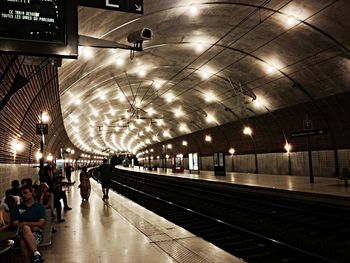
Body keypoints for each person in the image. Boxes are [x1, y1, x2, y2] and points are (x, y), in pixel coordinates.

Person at [12, 185, 45, 263]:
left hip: (37, 233)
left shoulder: (39, 207)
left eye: (25, 193)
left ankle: (36, 255)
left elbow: (41, 223)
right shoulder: (18, 208)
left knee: (23, 242)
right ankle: (36, 254)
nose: (23, 195)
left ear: (31, 193)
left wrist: (25, 223)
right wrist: (31, 226)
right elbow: (15, 224)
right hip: (20, 233)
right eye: (22, 194)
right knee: (25, 228)